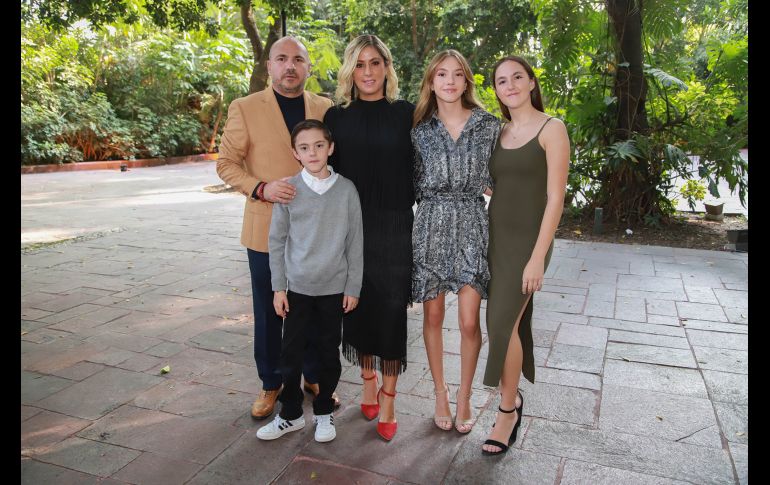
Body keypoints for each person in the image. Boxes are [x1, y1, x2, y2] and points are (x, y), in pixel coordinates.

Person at [216, 36, 339, 421]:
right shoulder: (245, 108)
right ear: (269, 66)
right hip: (266, 230)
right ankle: (271, 383)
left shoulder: (326, 108)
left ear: (308, 67)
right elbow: (226, 163)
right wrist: (261, 188)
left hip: (316, 234)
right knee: (271, 313)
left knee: (314, 310)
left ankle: (313, 378)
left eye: (298, 59)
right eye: (282, 59)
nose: (290, 66)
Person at [322, 34, 414, 441]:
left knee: (392, 309)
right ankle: (367, 381)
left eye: (376, 63)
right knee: (355, 307)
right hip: (350, 226)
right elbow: (327, 174)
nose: (368, 72)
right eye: (360, 64)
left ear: (387, 68)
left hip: (395, 224)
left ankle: (390, 398)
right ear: (350, 71)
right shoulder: (336, 118)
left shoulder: (407, 114)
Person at [481, 56, 570, 455]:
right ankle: (511, 398)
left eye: (518, 76)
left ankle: (507, 409)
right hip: (495, 236)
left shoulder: (553, 129)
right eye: (502, 81)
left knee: (500, 326)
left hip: (529, 242)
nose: (510, 85)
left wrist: (537, 258)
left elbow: (555, 198)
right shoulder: (499, 132)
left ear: (532, 82)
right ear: (496, 91)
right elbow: (498, 184)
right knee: (507, 324)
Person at [256, 119, 363, 443]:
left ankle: (323, 412)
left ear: (330, 148)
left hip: (333, 289)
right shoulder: (290, 190)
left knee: (328, 354)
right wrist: (278, 288)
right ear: (295, 153)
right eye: (304, 147)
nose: (312, 152)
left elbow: (355, 242)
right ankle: (289, 415)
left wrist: (353, 287)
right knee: (291, 356)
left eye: (319, 145)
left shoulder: (346, 190)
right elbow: (277, 242)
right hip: (298, 289)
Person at [410, 49, 500, 434]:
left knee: (467, 322)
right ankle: (440, 392)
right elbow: (411, 183)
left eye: (457, 74)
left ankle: (464, 394)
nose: (449, 81)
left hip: (472, 224)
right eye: (442, 74)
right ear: (431, 81)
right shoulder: (418, 131)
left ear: (467, 82)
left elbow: (502, 180)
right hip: (430, 225)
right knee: (433, 316)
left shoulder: (488, 126)